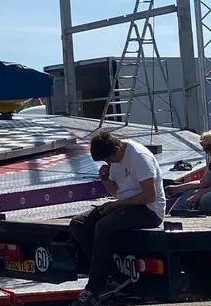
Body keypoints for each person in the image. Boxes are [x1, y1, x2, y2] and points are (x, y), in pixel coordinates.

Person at [68, 130, 166, 306]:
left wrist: (116, 204)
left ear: (116, 148)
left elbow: (149, 196)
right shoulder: (113, 159)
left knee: (104, 226)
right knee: (78, 223)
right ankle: (112, 274)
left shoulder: (139, 157)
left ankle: (94, 288)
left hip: (149, 210)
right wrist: (105, 178)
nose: (108, 163)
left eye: (108, 159)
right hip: (125, 205)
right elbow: (116, 192)